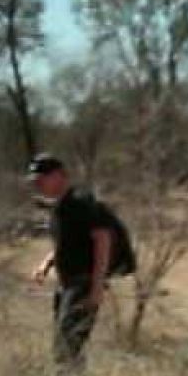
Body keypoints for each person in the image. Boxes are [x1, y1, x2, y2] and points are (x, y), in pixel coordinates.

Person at [27, 153, 130, 364]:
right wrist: (46, 264)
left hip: (82, 284)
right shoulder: (60, 207)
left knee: (67, 348)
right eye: (35, 180)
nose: (38, 184)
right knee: (64, 348)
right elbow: (69, 243)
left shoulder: (82, 203)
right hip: (66, 285)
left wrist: (97, 286)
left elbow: (103, 239)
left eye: (42, 178)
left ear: (58, 176)